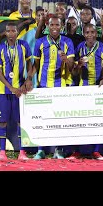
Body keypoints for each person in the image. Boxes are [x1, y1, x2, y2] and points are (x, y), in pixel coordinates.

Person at [32, 15, 75, 159]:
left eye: (57, 25)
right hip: (44, 85)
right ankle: (40, 150)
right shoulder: (40, 42)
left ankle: (58, 149)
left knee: (59, 119)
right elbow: (36, 65)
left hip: (61, 85)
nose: (55, 28)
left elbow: (72, 66)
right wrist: (28, 79)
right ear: (47, 26)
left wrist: (66, 60)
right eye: (52, 25)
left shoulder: (68, 41)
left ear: (62, 27)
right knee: (42, 118)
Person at [0, 22, 34, 161]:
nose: (11, 33)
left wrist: (28, 79)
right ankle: (2, 153)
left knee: (20, 122)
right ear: (5, 33)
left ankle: (22, 152)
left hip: (20, 91)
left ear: (17, 32)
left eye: (13, 31)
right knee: (2, 122)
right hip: (4, 92)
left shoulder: (23, 45)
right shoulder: (0, 48)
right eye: (8, 31)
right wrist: (10, 87)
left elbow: (31, 64)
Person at [70, 23, 103, 160]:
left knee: (97, 121)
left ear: (96, 33)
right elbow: (74, 72)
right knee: (80, 121)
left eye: (93, 32)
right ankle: (76, 151)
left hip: (97, 89)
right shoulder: (79, 48)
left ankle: (96, 151)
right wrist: (79, 65)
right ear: (84, 34)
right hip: (82, 88)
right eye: (87, 32)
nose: (90, 35)